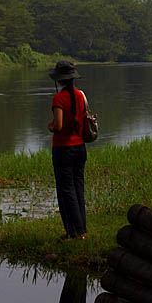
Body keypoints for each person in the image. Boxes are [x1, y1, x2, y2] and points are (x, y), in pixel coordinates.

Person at [47, 60, 87, 240]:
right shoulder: (80, 95)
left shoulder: (58, 98)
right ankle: (81, 229)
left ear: (60, 80)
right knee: (78, 188)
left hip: (63, 149)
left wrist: (51, 126)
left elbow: (59, 125)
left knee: (66, 190)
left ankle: (74, 232)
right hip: (80, 147)